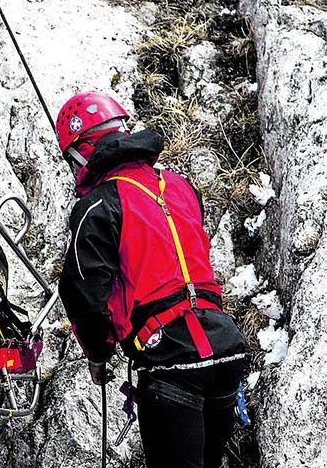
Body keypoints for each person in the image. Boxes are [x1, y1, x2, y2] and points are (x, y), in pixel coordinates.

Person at [55, 91, 247, 468]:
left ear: (83, 151)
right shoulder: (180, 187)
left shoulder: (99, 204)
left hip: (171, 361)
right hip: (225, 350)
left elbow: (82, 291)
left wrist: (98, 353)